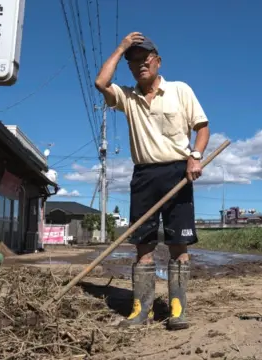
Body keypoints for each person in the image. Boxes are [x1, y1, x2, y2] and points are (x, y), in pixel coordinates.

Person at [94, 32, 210, 331]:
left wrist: (195, 157)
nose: (140, 65)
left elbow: (202, 128)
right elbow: (101, 84)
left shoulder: (180, 90)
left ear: (157, 61)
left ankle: (177, 309)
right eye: (133, 62)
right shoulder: (127, 98)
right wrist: (120, 48)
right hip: (144, 175)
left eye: (145, 60)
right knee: (143, 245)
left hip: (178, 172)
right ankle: (140, 309)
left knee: (178, 243)